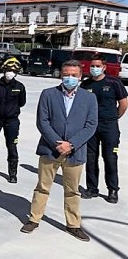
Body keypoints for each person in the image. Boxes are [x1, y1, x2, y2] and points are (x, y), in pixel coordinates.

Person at [21, 60, 98, 242]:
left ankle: (73, 224)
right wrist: (57, 144)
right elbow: (43, 121)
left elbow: (91, 125)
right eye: (66, 74)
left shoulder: (89, 98)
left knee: (72, 190)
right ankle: (34, 219)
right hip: (50, 149)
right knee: (43, 186)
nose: (69, 78)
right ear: (61, 75)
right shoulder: (48, 94)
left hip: (75, 152)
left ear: (80, 77)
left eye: (73, 75)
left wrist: (71, 144)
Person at [80, 54, 128, 203]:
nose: (94, 68)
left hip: (109, 126)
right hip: (91, 126)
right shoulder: (86, 84)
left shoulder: (114, 83)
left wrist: (114, 118)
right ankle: (92, 188)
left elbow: (123, 104)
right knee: (91, 158)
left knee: (110, 158)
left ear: (104, 67)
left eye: (97, 66)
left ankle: (113, 190)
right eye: (92, 66)